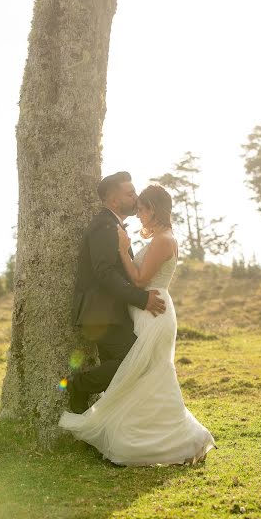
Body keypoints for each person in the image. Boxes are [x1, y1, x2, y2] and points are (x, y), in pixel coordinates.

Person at [59, 183, 216, 466]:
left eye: (142, 206)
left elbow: (141, 281)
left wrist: (122, 249)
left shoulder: (164, 240)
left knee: (146, 371)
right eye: (134, 201)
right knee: (144, 374)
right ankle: (132, 436)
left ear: (153, 209)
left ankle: (176, 439)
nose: (138, 211)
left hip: (153, 311)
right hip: (143, 313)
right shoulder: (158, 238)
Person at [65, 172, 166, 414]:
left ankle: (107, 432)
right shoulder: (104, 225)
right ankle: (77, 385)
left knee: (121, 375)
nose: (136, 196)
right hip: (101, 314)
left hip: (110, 314)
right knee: (136, 363)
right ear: (113, 200)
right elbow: (104, 272)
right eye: (130, 193)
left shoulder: (113, 225)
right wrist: (142, 299)